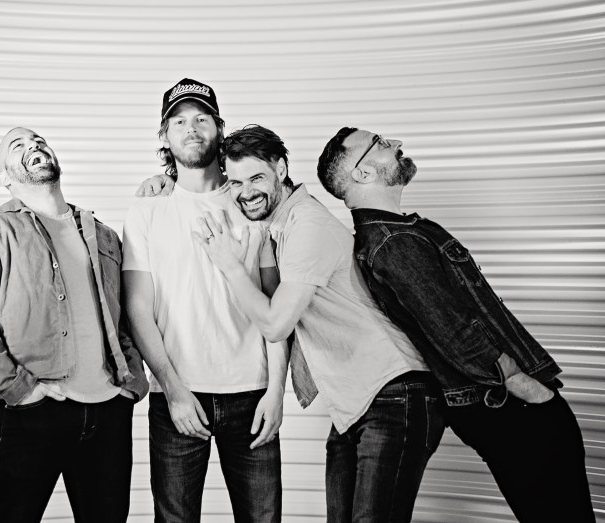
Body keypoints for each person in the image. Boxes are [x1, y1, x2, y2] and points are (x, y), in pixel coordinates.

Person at [144, 124, 445, 523]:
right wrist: (165, 181)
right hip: (356, 402)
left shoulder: (306, 225)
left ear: (281, 170)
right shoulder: (277, 222)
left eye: (257, 178)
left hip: (394, 393)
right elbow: (202, 190)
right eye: (236, 182)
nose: (245, 192)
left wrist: (229, 265)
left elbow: (274, 324)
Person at [316, 126, 596, 523]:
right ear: (362, 173)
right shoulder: (392, 242)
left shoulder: (399, 233)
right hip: (508, 404)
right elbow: (453, 329)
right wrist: (527, 388)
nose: (396, 143)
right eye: (379, 143)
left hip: (500, 404)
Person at [0, 127, 148, 523]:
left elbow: (122, 315)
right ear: (4, 177)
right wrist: (19, 390)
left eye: (38, 140)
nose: (34, 145)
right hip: (34, 411)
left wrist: (132, 381)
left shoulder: (103, 234)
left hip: (108, 411)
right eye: (18, 145)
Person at [122, 80, 288, 522]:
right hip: (177, 394)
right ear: (164, 136)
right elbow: (138, 309)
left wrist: (277, 391)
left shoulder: (252, 202)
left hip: (253, 394)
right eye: (178, 121)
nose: (191, 128)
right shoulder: (146, 210)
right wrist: (173, 390)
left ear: (219, 128)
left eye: (201, 118)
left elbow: (276, 305)